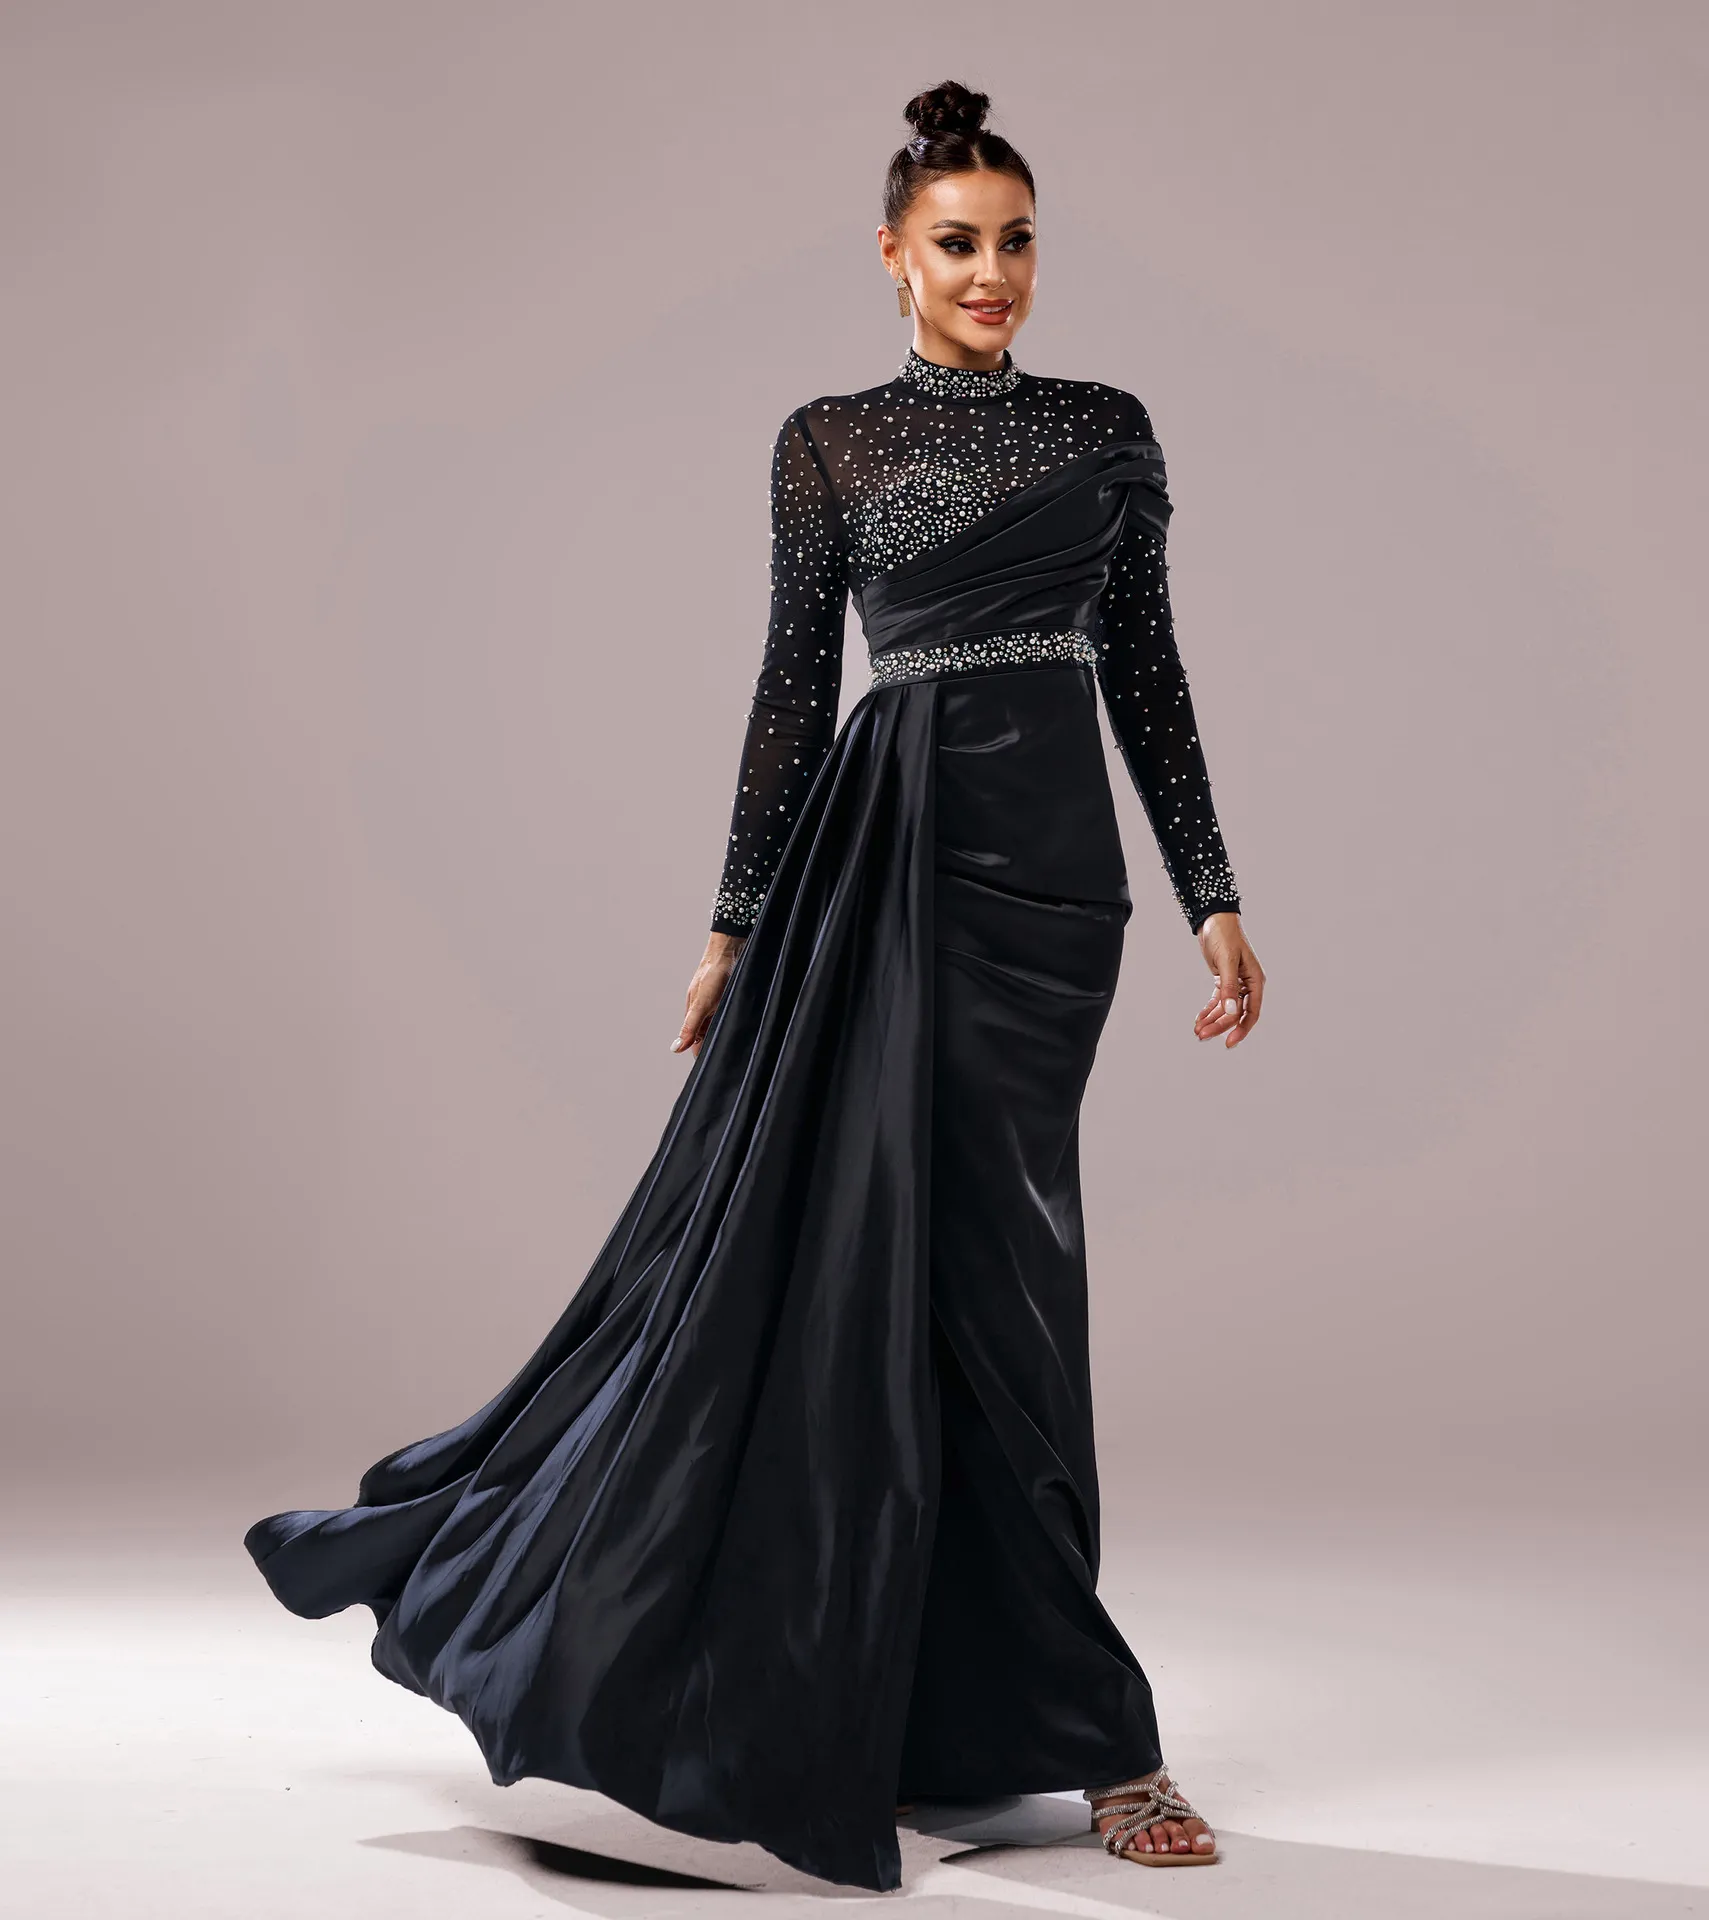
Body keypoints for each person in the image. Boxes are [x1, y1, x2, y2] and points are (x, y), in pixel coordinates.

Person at [244, 79, 1263, 1892]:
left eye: (1019, 242)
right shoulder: (828, 443)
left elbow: (1152, 679)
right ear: (893, 257)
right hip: (882, 870)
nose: (994, 273)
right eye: (958, 243)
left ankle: (1065, 1731)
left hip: (1050, 896)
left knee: (1013, 1290)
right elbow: (794, 688)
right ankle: (942, 1715)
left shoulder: (1109, 430)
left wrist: (1214, 895)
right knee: (864, 1274)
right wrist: (733, 926)